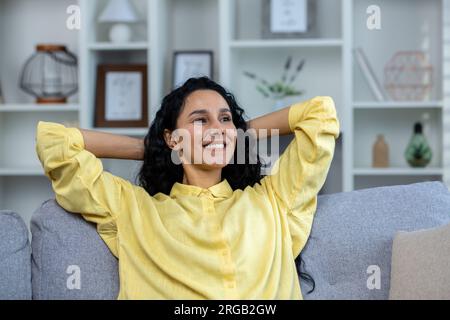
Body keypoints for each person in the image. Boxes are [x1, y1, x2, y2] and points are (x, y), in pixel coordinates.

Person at [35, 76, 340, 299]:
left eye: (224, 119)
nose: (217, 127)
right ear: (172, 138)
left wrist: (234, 135)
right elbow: (56, 142)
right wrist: (154, 147)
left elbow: (319, 115)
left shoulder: (274, 199)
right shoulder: (133, 209)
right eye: (200, 120)